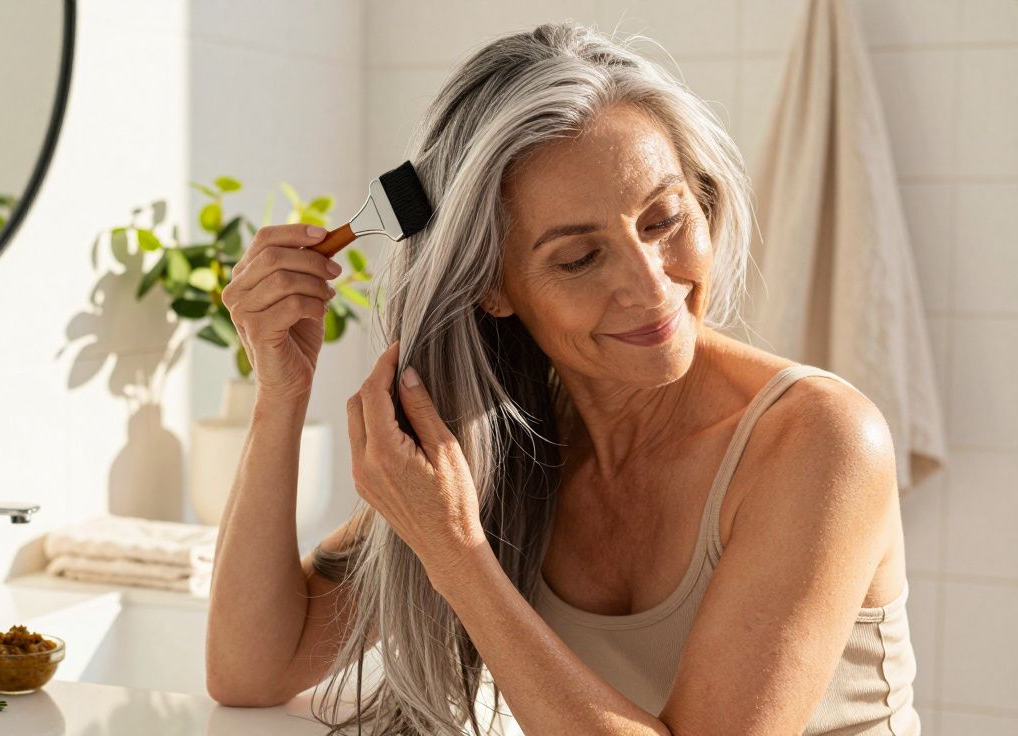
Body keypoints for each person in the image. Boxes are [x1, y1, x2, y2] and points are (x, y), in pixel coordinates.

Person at [207, 20, 919, 736]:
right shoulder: (505, 444)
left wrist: (457, 554)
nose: (651, 286)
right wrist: (281, 390)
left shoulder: (822, 441)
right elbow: (254, 670)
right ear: (493, 284)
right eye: (580, 258)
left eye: (665, 218)